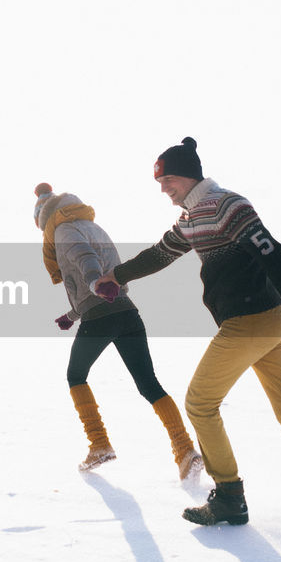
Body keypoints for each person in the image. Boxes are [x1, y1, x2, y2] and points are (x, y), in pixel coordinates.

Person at [94, 138, 281, 537]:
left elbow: (273, 253)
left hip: (251, 321)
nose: (164, 190)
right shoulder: (193, 216)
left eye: (168, 181)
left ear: (188, 176)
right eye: (160, 183)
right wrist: (117, 275)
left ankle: (230, 496)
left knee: (200, 403)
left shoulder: (225, 205)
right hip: (266, 323)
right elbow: (161, 254)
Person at [33, 182, 203, 481]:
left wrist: (94, 283)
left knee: (76, 376)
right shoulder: (91, 225)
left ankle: (99, 444)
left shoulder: (62, 229)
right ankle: (185, 450)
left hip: (100, 315)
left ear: (43, 218)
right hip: (126, 311)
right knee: (149, 384)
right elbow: (105, 278)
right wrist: (73, 315)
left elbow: (85, 259)